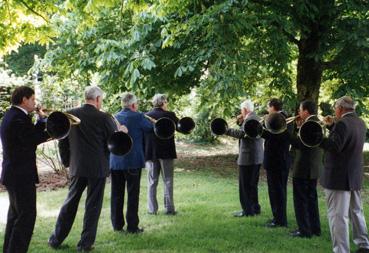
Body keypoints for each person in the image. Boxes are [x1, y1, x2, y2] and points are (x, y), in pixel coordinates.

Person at [48, 86, 119, 252]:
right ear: (97, 99)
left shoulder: (70, 114)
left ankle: (55, 240)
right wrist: (120, 132)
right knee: (93, 206)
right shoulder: (104, 117)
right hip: (97, 168)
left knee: (70, 203)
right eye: (101, 100)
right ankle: (85, 244)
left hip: (77, 166)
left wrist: (68, 162)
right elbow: (112, 142)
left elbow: (62, 140)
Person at [0, 86, 49, 253]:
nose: (35, 103)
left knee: (15, 216)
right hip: (20, 175)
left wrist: (41, 120)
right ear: (24, 100)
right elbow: (31, 140)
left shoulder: (15, 115)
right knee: (26, 217)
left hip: (14, 174)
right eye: (33, 99)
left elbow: (28, 136)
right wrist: (52, 131)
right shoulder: (18, 118)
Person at [320, 96, 369, 253]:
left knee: (338, 216)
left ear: (340, 108)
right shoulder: (360, 122)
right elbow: (344, 140)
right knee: (356, 211)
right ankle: (363, 244)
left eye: (335, 108)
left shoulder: (342, 123)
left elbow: (335, 146)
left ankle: (341, 250)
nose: (334, 111)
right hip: (354, 174)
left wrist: (318, 138)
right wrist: (332, 126)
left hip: (339, 176)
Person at [110, 92, 153, 233]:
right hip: (133, 161)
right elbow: (151, 128)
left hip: (116, 161)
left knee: (116, 193)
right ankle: (132, 226)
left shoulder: (114, 117)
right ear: (133, 105)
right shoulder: (139, 116)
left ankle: (117, 225)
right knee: (132, 194)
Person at [225, 99, 264, 217]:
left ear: (245, 109)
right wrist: (240, 122)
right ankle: (255, 207)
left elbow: (242, 134)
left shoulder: (249, 119)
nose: (241, 112)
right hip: (257, 157)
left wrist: (226, 130)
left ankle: (247, 210)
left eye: (241, 110)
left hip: (247, 157)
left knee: (245, 185)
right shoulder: (257, 118)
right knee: (253, 184)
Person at [289, 100, 322, 238]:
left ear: (306, 111)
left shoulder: (308, 124)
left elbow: (300, 145)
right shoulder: (319, 123)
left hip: (303, 168)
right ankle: (315, 229)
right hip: (313, 168)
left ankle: (304, 231)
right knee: (312, 199)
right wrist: (298, 128)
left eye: (300, 110)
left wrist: (287, 132)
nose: (298, 113)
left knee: (301, 200)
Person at [144, 94, 179, 215]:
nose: (167, 104)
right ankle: (169, 209)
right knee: (168, 180)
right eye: (166, 101)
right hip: (167, 152)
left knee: (152, 181)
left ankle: (152, 209)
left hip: (151, 152)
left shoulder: (146, 115)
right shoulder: (170, 115)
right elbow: (181, 127)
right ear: (163, 102)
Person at [262, 98, 291, 227]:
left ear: (272, 107)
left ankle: (279, 220)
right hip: (282, 160)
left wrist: (261, 130)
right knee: (279, 190)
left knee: (276, 191)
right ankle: (278, 217)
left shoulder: (279, 119)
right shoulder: (284, 118)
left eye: (268, 107)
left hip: (276, 161)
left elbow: (274, 137)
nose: (267, 110)